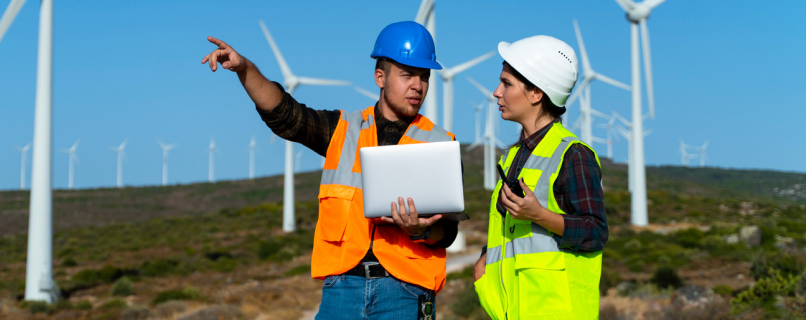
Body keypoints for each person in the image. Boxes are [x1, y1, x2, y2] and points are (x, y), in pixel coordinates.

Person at [202, 21, 460, 319]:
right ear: (380, 77)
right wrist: (245, 70)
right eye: (407, 75)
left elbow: (449, 231)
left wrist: (422, 230)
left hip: (406, 293)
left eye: (424, 76)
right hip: (342, 290)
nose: (418, 85)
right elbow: (285, 115)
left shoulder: (441, 143)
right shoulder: (342, 129)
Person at [472, 35, 608, 320]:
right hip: (510, 310)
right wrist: (483, 261)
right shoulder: (511, 158)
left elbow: (595, 232)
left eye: (506, 83)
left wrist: (539, 214)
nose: (496, 92)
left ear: (536, 93)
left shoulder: (573, 155)